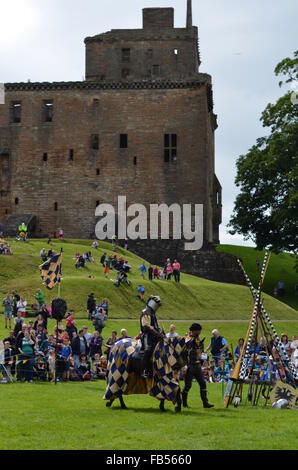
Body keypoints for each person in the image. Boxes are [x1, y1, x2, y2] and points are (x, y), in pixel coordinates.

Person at [182, 323, 214, 409]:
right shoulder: (187, 339)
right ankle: (184, 403)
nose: (199, 332)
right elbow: (184, 353)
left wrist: (204, 359)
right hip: (189, 366)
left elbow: (201, 352)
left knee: (203, 383)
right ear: (194, 330)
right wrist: (184, 366)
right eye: (198, 330)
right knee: (188, 385)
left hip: (197, 365)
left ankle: (205, 403)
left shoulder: (198, 339)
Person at [140, 295, 163, 378]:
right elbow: (146, 326)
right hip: (147, 335)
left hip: (155, 336)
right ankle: (143, 370)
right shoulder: (146, 312)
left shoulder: (153, 314)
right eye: (156, 305)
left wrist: (161, 333)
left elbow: (156, 326)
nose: (157, 307)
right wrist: (157, 333)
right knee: (148, 349)